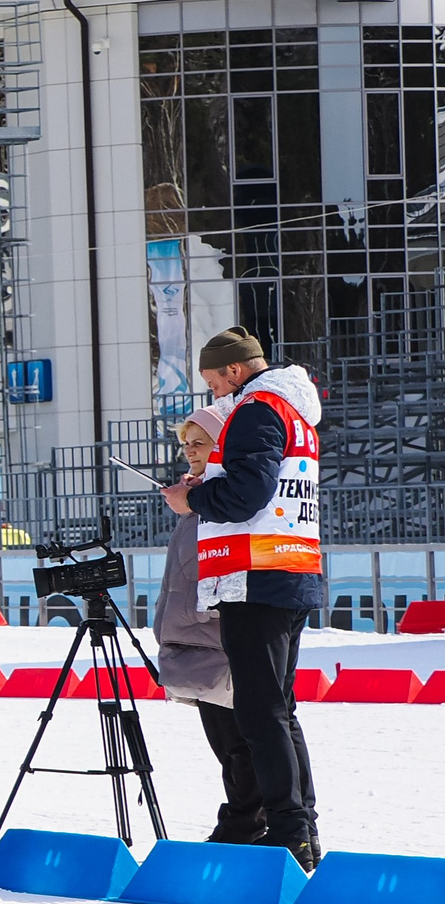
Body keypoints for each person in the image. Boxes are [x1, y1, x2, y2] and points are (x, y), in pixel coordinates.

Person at [162, 327, 323, 870]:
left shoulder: (255, 409)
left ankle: (287, 832)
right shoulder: (296, 413)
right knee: (279, 709)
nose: (212, 394)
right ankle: (301, 828)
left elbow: (245, 493)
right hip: (289, 569)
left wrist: (193, 497)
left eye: (212, 381)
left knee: (259, 712)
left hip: (254, 576)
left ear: (235, 370)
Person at [152, 404, 257, 845]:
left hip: (221, 641)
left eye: (200, 443)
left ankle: (244, 824)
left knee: (241, 746)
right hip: (193, 646)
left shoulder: (222, 498)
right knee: (226, 747)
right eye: (186, 444)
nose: (190, 452)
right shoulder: (194, 499)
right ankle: (242, 821)